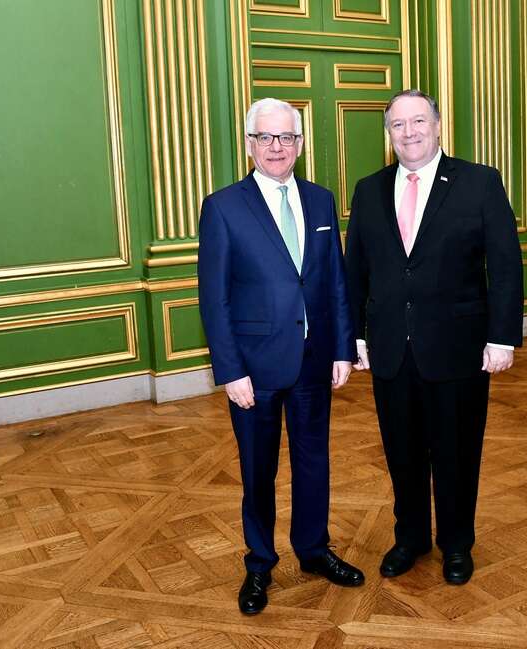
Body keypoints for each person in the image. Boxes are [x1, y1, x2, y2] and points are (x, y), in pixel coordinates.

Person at [345, 89, 523, 585]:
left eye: (418, 121)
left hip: (460, 349)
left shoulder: (479, 182)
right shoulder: (368, 189)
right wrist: (354, 337)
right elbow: (355, 270)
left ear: (438, 125)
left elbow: (505, 267)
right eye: (398, 125)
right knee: (401, 452)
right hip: (389, 350)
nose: (410, 132)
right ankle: (411, 539)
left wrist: (502, 337)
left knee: (457, 452)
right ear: (388, 134)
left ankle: (457, 544)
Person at [198, 98, 364, 615]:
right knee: (258, 471)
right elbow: (214, 297)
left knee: (315, 464)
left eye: (287, 137)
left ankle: (314, 550)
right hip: (255, 370)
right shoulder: (223, 206)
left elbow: (335, 280)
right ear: (249, 144)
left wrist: (341, 348)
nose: (277, 147)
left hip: (315, 362)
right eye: (266, 138)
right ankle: (260, 564)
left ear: (300, 143)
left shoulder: (320, 200)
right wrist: (230, 371)